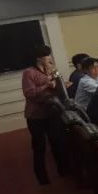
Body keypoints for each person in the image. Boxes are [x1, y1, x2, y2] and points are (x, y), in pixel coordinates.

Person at [21, 45, 68, 185]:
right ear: (39, 58)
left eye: (49, 55)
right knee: (39, 147)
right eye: (46, 56)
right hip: (36, 115)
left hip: (52, 111)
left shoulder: (51, 69)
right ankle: (42, 177)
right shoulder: (29, 73)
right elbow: (29, 93)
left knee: (57, 142)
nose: (49, 58)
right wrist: (47, 85)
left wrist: (61, 84)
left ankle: (63, 170)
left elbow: (57, 86)